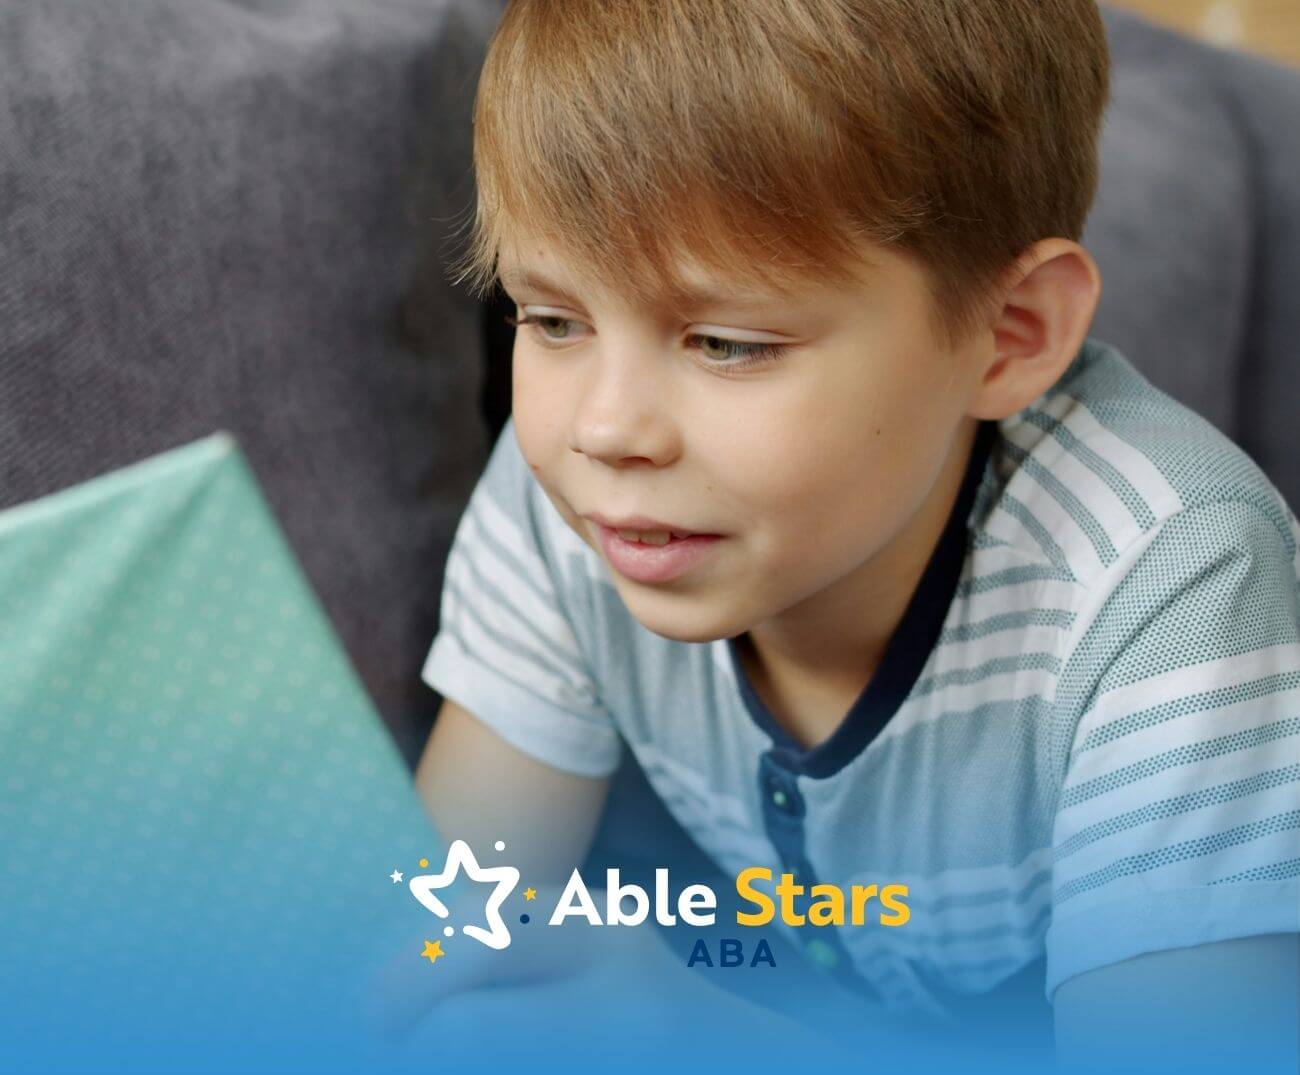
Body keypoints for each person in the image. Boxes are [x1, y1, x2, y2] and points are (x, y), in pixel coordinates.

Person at [402, 1, 1300, 1069]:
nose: (603, 429)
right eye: (553, 321)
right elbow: (443, 931)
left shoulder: (1172, 583)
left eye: (726, 342)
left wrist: (698, 1034)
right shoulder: (581, 502)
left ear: (1009, 335)